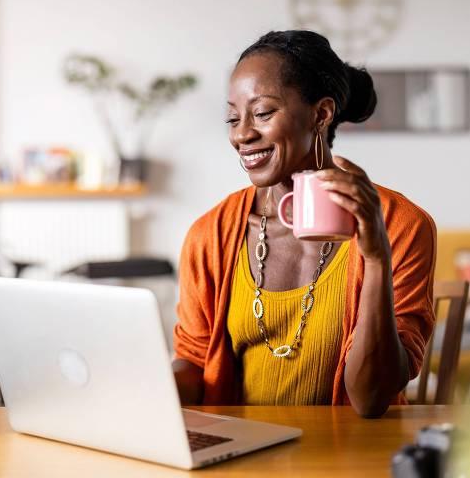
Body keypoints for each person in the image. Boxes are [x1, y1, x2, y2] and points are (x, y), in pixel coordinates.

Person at [172, 30, 436, 417]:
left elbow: (371, 398)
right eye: (233, 118)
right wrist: (145, 387)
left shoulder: (401, 225)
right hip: (242, 447)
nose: (242, 134)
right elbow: (195, 362)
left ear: (321, 114)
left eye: (263, 113)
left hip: (351, 449)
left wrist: (376, 256)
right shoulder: (210, 235)